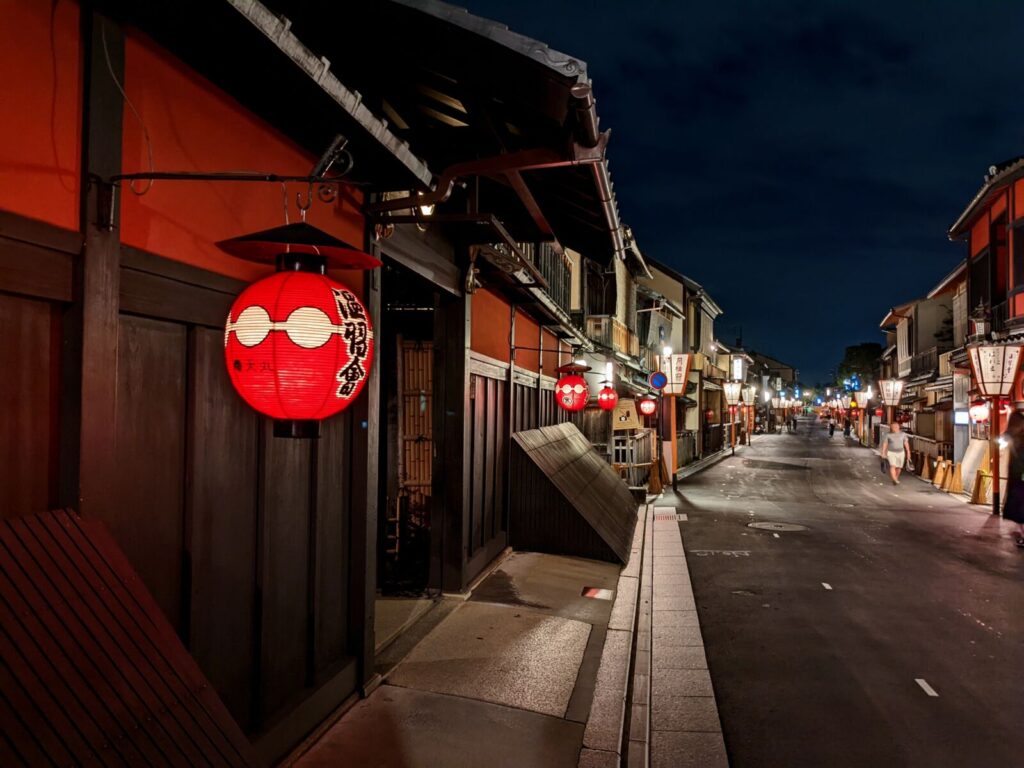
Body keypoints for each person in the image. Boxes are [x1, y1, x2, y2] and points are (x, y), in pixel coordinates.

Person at [999, 411, 1024, 547]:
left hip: (1018, 477)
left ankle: (1023, 534)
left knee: (1019, 508)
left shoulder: (1013, 436)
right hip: (1017, 477)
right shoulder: (1013, 436)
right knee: (1019, 508)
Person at [880, 421, 911, 485]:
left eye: (896, 426)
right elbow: (885, 444)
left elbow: (906, 443)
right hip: (891, 452)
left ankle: (895, 478)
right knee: (893, 465)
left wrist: (908, 452)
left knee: (899, 467)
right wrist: (883, 452)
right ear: (891, 428)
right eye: (893, 427)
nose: (895, 428)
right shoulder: (888, 435)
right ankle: (894, 479)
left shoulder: (903, 434)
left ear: (899, 427)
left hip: (901, 452)